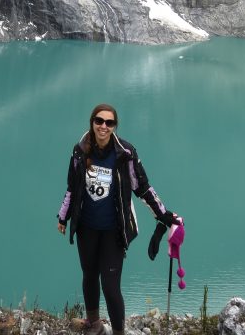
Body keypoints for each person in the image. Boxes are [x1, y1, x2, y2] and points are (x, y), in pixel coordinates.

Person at [57, 103, 180, 335]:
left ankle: (118, 333)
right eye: (99, 121)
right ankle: (94, 324)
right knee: (89, 276)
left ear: (115, 126)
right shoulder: (80, 150)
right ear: (92, 122)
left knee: (111, 287)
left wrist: (163, 214)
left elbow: (142, 188)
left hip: (114, 230)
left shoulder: (125, 153)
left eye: (109, 122)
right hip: (86, 228)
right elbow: (72, 187)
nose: (103, 126)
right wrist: (63, 217)